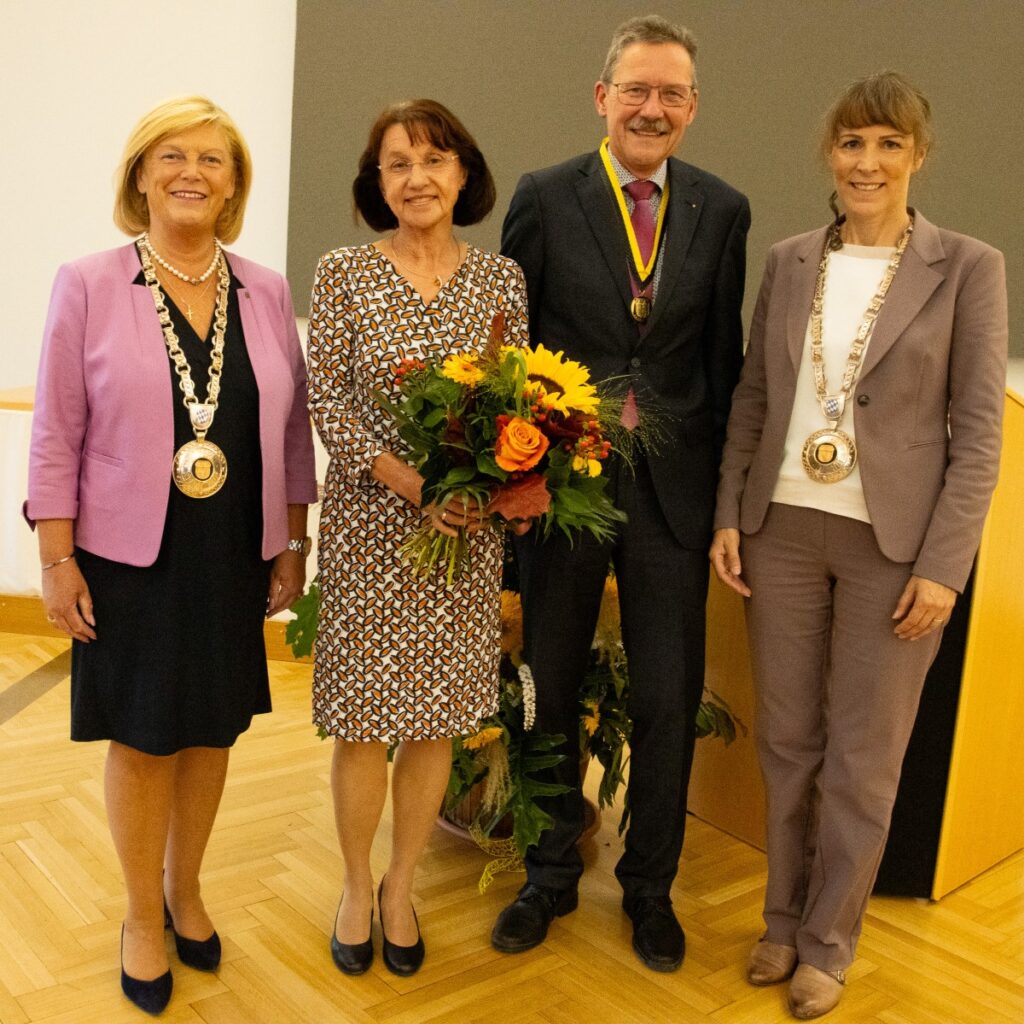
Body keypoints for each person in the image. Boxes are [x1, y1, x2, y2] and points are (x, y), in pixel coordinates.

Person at [710, 72, 1007, 1019]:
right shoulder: (793, 260)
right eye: (850, 144)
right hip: (782, 529)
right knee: (789, 744)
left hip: (894, 544)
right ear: (829, 156)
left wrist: (943, 570)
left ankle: (831, 941)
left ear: (917, 155)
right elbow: (755, 397)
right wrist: (728, 510)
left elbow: (978, 434)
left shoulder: (968, 265)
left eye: (886, 145)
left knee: (864, 757)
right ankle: (782, 919)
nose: (866, 162)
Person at [24, 96, 318, 1015]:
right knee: (144, 734)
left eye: (214, 160)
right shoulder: (88, 281)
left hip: (234, 546)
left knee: (212, 726)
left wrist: (293, 537)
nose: (193, 171)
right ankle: (140, 912)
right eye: (172, 155)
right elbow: (58, 429)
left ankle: (186, 887)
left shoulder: (265, 288)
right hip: (126, 553)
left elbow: (294, 427)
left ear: (235, 184)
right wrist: (56, 556)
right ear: (140, 174)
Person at [492, 15, 750, 972]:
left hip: (674, 500)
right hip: (562, 494)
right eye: (636, 89)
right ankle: (549, 874)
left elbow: (720, 366)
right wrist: (515, 481)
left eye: (671, 93)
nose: (652, 107)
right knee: (547, 686)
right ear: (602, 97)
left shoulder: (721, 210)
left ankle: (651, 887)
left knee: (667, 698)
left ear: (691, 108)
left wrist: (726, 502)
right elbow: (511, 353)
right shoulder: (546, 198)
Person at [307, 99, 529, 978]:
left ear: (463, 174)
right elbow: (327, 401)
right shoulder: (341, 274)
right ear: (378, 184)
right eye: (397, 164)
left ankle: (403, 886)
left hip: (466, 539)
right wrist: (413, 483)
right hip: (371, 528)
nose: (417, 178)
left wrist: (482, 488)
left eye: (434, 160)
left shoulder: (501, 280)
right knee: (362, 723)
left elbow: (516, 402)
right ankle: (356, 886)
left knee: (435, 720)